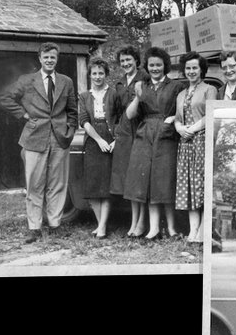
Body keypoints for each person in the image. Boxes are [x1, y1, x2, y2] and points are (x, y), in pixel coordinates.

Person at [0, 41, 78, 243]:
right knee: (35, 183)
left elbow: (73, 111)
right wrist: (23, 114)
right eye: (46, 57)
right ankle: (34, 227)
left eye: (53, 57)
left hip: (60, 138)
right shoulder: (27, 80)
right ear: (40, 58)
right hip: (34, 137)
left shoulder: (66, 81)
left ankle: (55, 224)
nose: (49, 60)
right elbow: (4, 96)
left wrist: (69, 129)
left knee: (57, 183)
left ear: (56, 59)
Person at [123, 47, 186, 240]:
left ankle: (172, 228)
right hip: (145, 135)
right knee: (147, 181)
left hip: (166, 135)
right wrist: (136, 95)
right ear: (147, 66)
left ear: (165, 66)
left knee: (164, 180)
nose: (155, 68)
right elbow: (130, 115)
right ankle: (153, 228)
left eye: (159, 65)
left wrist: (173, 118)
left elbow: (184, 108)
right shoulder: (142, 85)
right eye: (152, 65)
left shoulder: (175, 86)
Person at [175, 52, 216, 243]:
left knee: (201, 186)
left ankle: (202, 231)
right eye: (188, 68)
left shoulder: (210, 89)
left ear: (201, 70)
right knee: (189, 187)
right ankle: (193, 231)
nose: (191, 71)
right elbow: (177, 118)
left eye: (194, 68)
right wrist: (179, 128)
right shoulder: (181, 94)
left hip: (201, 141)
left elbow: (211, 114)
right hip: (186, 144)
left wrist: (192, 128)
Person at [78, 57, 121, 239]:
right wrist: (98, 140)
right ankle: (100, 224)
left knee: (105, 187)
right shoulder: (84, 96)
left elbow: (120, 119)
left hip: (111, 139)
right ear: (90, 75)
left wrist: (115, 140)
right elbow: (84, 121)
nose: (97, 76)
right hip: (93, 141)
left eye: (101, 73)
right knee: (93, 187)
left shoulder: (113, 94)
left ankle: (102, 227)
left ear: (106, 75)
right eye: (94, 73)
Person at [110, 45, 149, 237]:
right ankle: (134, 222)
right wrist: (116, 132)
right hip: (125, 135)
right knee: (130, 180)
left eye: (129, 60)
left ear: (136, 61)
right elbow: (116, 113)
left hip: (141, 131)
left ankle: (142, 222)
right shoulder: (119, 84)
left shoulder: (145, 79)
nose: (126, 64)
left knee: (140, 178)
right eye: (123, 61)